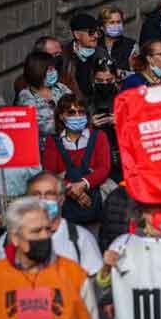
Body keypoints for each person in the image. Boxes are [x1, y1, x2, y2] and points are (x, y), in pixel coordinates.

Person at [0, 172, 102, 275]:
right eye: (36, 194)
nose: (42, 199)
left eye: (50, 194)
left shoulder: (81, 239)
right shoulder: (10, 239)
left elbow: (94, 284)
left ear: (61, 199)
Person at [42, 94, 110, 230]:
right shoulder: (53, 141)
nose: (78, 116)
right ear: (61, 116)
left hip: (96, 200)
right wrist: (72, 190)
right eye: (72, 112)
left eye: (81, 112)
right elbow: (50, 174)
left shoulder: (99, 137)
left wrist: (83, 184)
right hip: (66, 207)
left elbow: (104, 168)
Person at [17, 50, 72, 142]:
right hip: (44, 148)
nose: (54, 72)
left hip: (69, 142)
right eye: (50, 69)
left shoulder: (60, 88)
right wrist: (70, 121)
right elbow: (42, 127)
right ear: (38, 70)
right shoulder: (26, 96)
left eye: (54, 68)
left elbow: (76, 105)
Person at [59, 12, 109, 97]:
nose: (96, 36)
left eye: (98, 32)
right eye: (91, 32)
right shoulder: (64, 57)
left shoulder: (102, 53)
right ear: (77, 35)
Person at [97, 5, 136, 75]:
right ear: (102, 27)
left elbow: (137, 73)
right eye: (111, 22)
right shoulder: (95, 45)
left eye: (118, 22)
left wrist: (121, 73)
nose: (116, 25)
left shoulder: (131, 45)